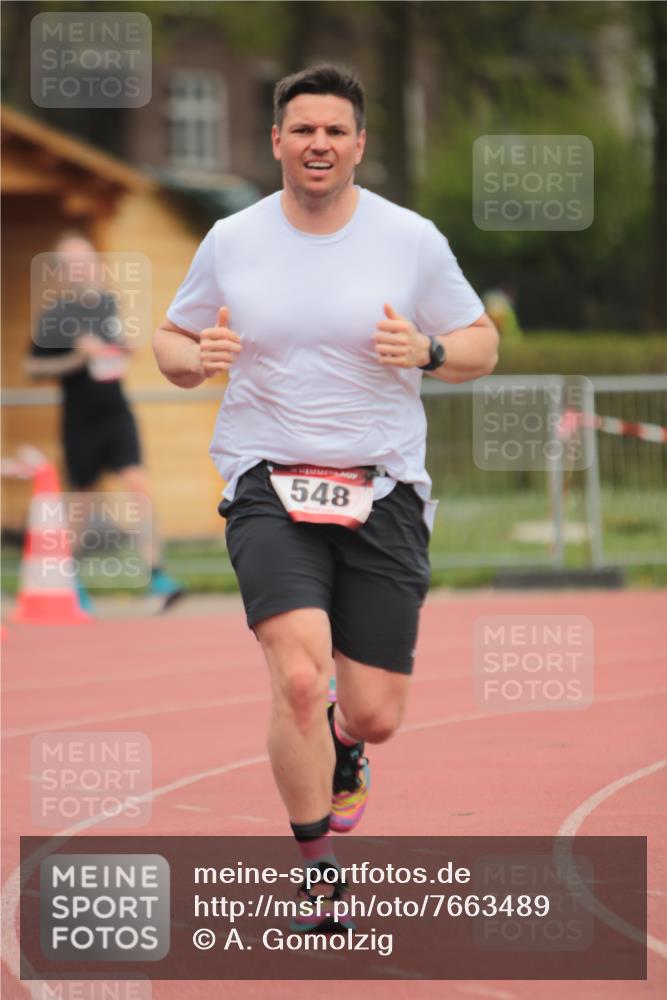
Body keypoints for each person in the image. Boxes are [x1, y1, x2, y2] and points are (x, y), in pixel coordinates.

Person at [153, 65, 498, 926]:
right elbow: (171, 336)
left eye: (335, 131)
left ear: (359, 144)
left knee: (374, 712)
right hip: (266, 479)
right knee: (301, 676)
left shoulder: (409, 239)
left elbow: (480, 343)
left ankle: (348, 745)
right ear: (276, 140)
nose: (318, 144)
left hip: (382, 488)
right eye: (302, 129)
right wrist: (195, 361)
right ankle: (317, 870)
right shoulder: (232, 238)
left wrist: (426, 351)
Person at [25, 232, 184, 611]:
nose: (83, 268)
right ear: (64, 272)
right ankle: (72, 585)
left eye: (87, 260)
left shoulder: (109, 304)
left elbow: (119, 349)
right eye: (74, 264)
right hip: (80, 421)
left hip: (117, 413)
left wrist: (124, 348)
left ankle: (157, 577)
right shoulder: (56, 317)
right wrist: (76, 359)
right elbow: (31, 367)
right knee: (81, 505)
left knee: (139, 488)